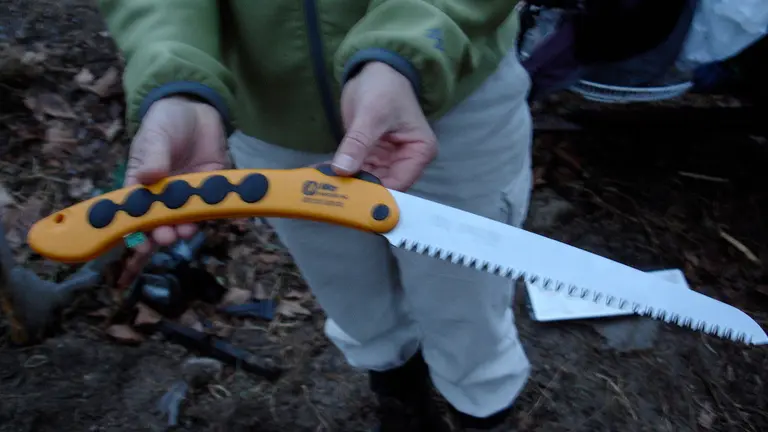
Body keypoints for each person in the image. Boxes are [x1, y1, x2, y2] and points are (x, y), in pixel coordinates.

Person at [97, 1, 533, 430]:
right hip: (274, 123)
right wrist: (176, 77)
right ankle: (401, 400)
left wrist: (407, 47)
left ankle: (482, 412)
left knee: (466, 310)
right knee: (354, 302)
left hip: (446, 95)